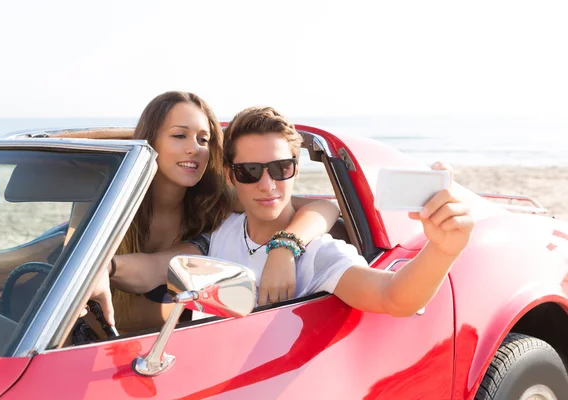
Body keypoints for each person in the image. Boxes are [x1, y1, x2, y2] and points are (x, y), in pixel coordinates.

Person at [89, 92, 340, 333]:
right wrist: (97, 271)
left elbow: (325, 206)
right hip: (94, 345)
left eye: (203, 140)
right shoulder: (108, 201)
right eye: (179, 135)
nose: (194, 149)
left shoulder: (216, 204)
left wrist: (284, 247)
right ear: (150, 140)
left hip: (165, 352)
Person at [207, 106, 475, 315]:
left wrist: (443, 250)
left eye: (280, 168)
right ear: (231, 176)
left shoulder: (318, 254)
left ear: (296, 170)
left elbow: (393, 296)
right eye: (249, 171)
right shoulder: (223, 229)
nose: (267, 185)